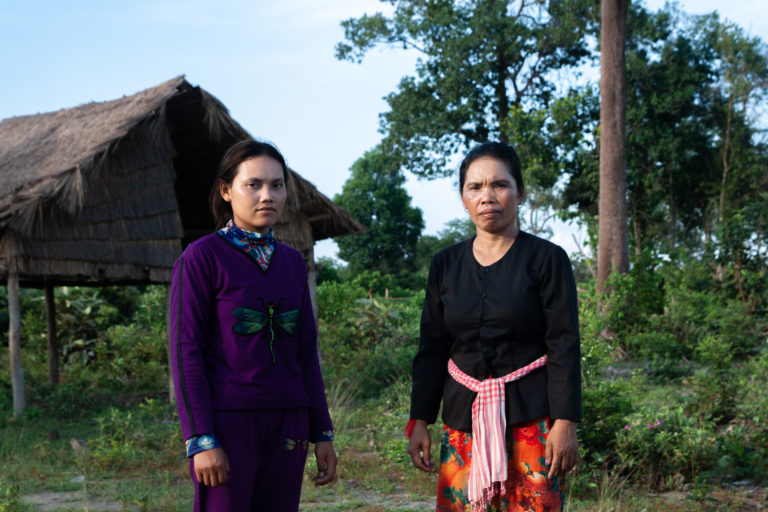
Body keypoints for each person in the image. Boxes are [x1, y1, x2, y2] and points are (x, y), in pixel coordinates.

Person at [406, 142, 581, 512]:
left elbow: (563, 344)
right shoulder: (445, 265)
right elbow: (433, 347)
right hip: (463, 423)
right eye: (476, 187)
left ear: (520, 193)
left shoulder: (548, 259)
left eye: (500, 185)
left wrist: (565, 423)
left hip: (533, 423)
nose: (488, 196)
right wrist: (419, 420)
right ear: (463, 197)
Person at [169, 139, 337, 511]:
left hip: (289, 422)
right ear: (226, 191)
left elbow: (306, 352)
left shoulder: (293, 263)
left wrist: (322, 431)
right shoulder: (201, 258)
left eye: (277, 185)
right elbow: (186, 353)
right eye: (253, 185)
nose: (267, 196)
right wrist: (201, 438)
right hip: (229, 423)